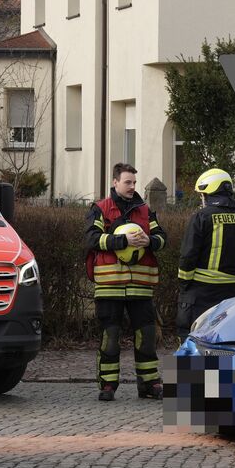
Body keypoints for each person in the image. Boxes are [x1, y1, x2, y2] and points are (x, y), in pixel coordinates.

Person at [84, 163, 168, 401]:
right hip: (109, 286)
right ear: (115, 182)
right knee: (110, 338)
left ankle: (149, 384)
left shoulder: (145, 210)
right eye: (127, 182)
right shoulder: (100, 208)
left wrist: (149, 241)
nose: (132, 187)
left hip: (141, 287)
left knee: (147, 337)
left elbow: (162, 238)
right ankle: (108, 385)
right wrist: (121, 241)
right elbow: (91, 238)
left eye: (134, 182)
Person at [176, 168, 235, 340]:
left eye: (202, 195)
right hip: (234, 292)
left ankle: (194, 360)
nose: (202, 199)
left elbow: (188, 255)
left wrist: (184, 284)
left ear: (208, 192)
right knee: (227, 340)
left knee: (193, 340)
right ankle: (222, 361)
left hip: (200, 293)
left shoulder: (201, 217)